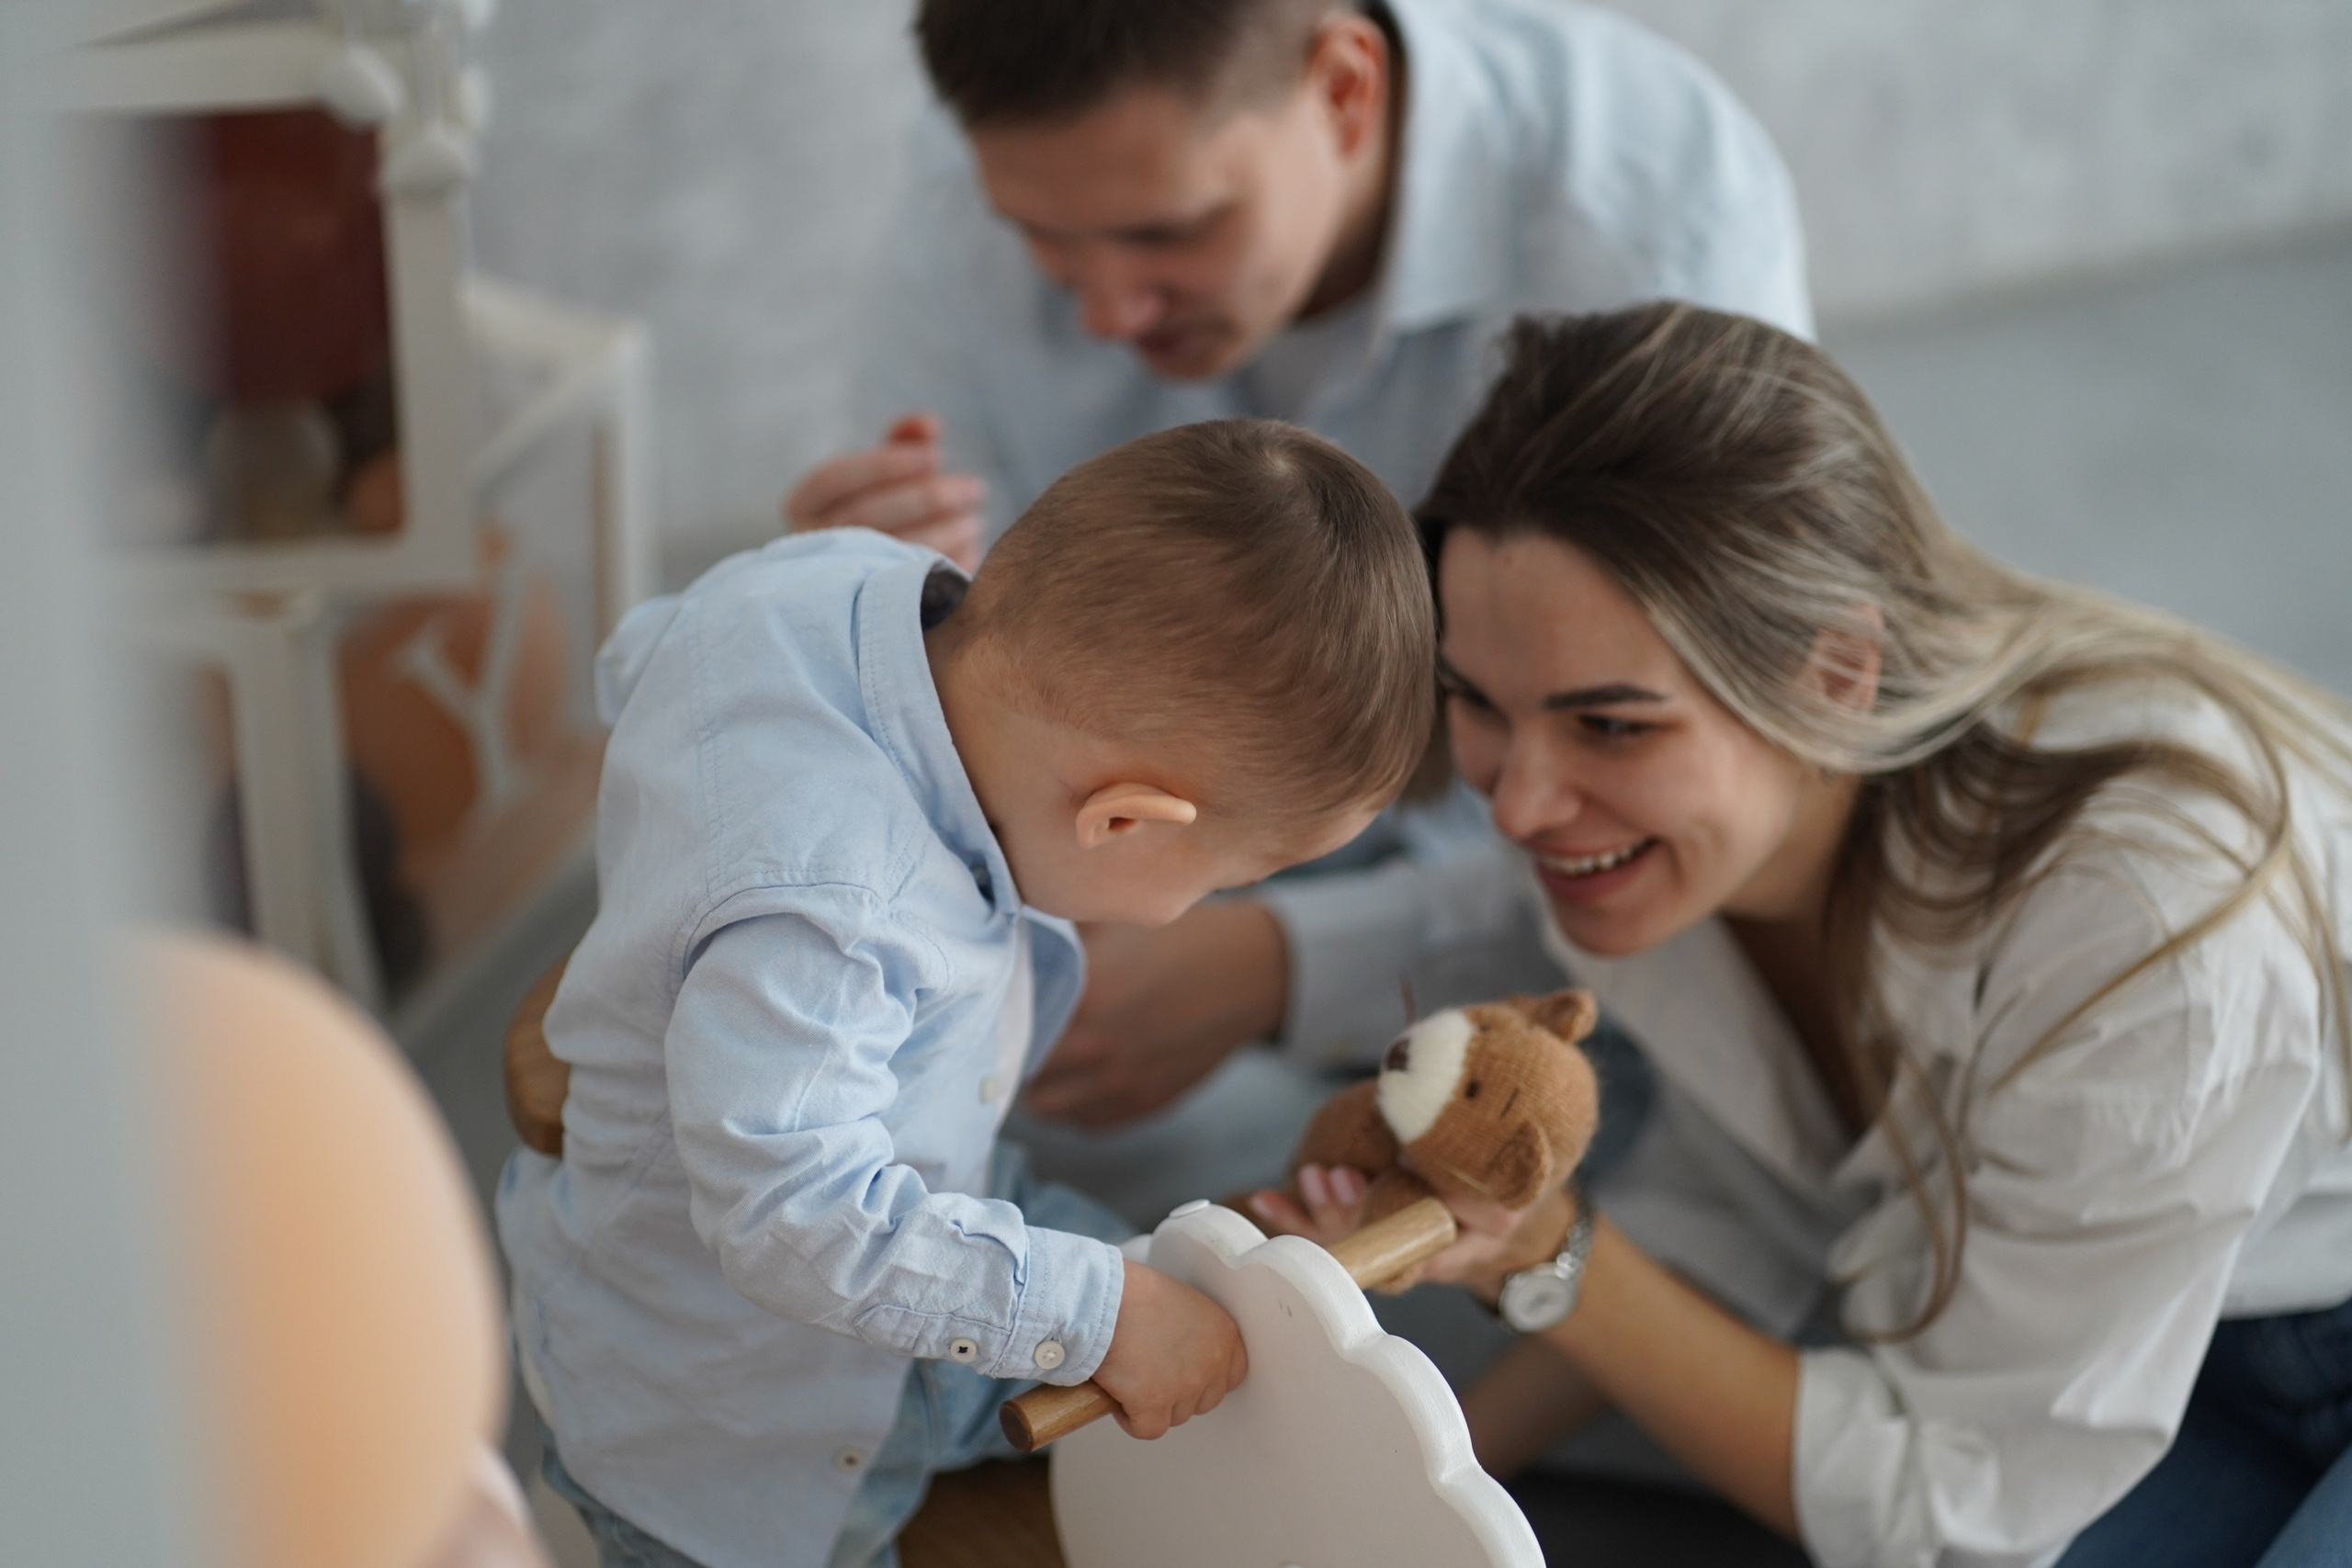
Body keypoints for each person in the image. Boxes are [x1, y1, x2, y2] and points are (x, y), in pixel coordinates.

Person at [1251, 303, 2352, 1567]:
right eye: (1479, 704)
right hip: (2149, 1349)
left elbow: (1951, 1513)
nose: (1518, 805)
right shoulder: (1674, 851)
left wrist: (1549, 1254)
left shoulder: (2148, 936)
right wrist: (1397, 1486)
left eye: (1610, 724)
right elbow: (1746, 1224)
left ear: (1835, 674)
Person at [789, 0, 1813, 1150]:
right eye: (1043, 240)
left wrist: (1287, 961)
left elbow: (1675, 795)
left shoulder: (1651, 226)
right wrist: (860, 609)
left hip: (1543, 958)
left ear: (1343, 89)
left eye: (1170, 230)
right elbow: (951, 672)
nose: (1107, 310)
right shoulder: (992, 163)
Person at [497, 420, 1437, 1568]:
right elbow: (795, 1220)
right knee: (1109, 1313)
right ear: (1121, 821)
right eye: (1222, 883)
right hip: (732, 1413)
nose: (1199, 910)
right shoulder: (839, 913)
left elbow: (636, 663)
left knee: (1175, 1302)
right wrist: (1099, 1314)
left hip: (927, 1171)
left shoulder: (843, 575)